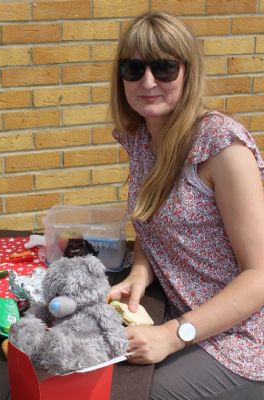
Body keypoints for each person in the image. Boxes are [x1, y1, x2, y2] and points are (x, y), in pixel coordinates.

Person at [108, 11, 264, 400]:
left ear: (187, 72)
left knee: (129, 393)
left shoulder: (221, 146)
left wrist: (174, 335)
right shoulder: (144, 138)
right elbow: (153, 221)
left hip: (245, 338)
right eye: (133, 68)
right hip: (185, 316)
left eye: (164, 68)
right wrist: (141, 270)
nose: (147, 82)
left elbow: (259, 275)